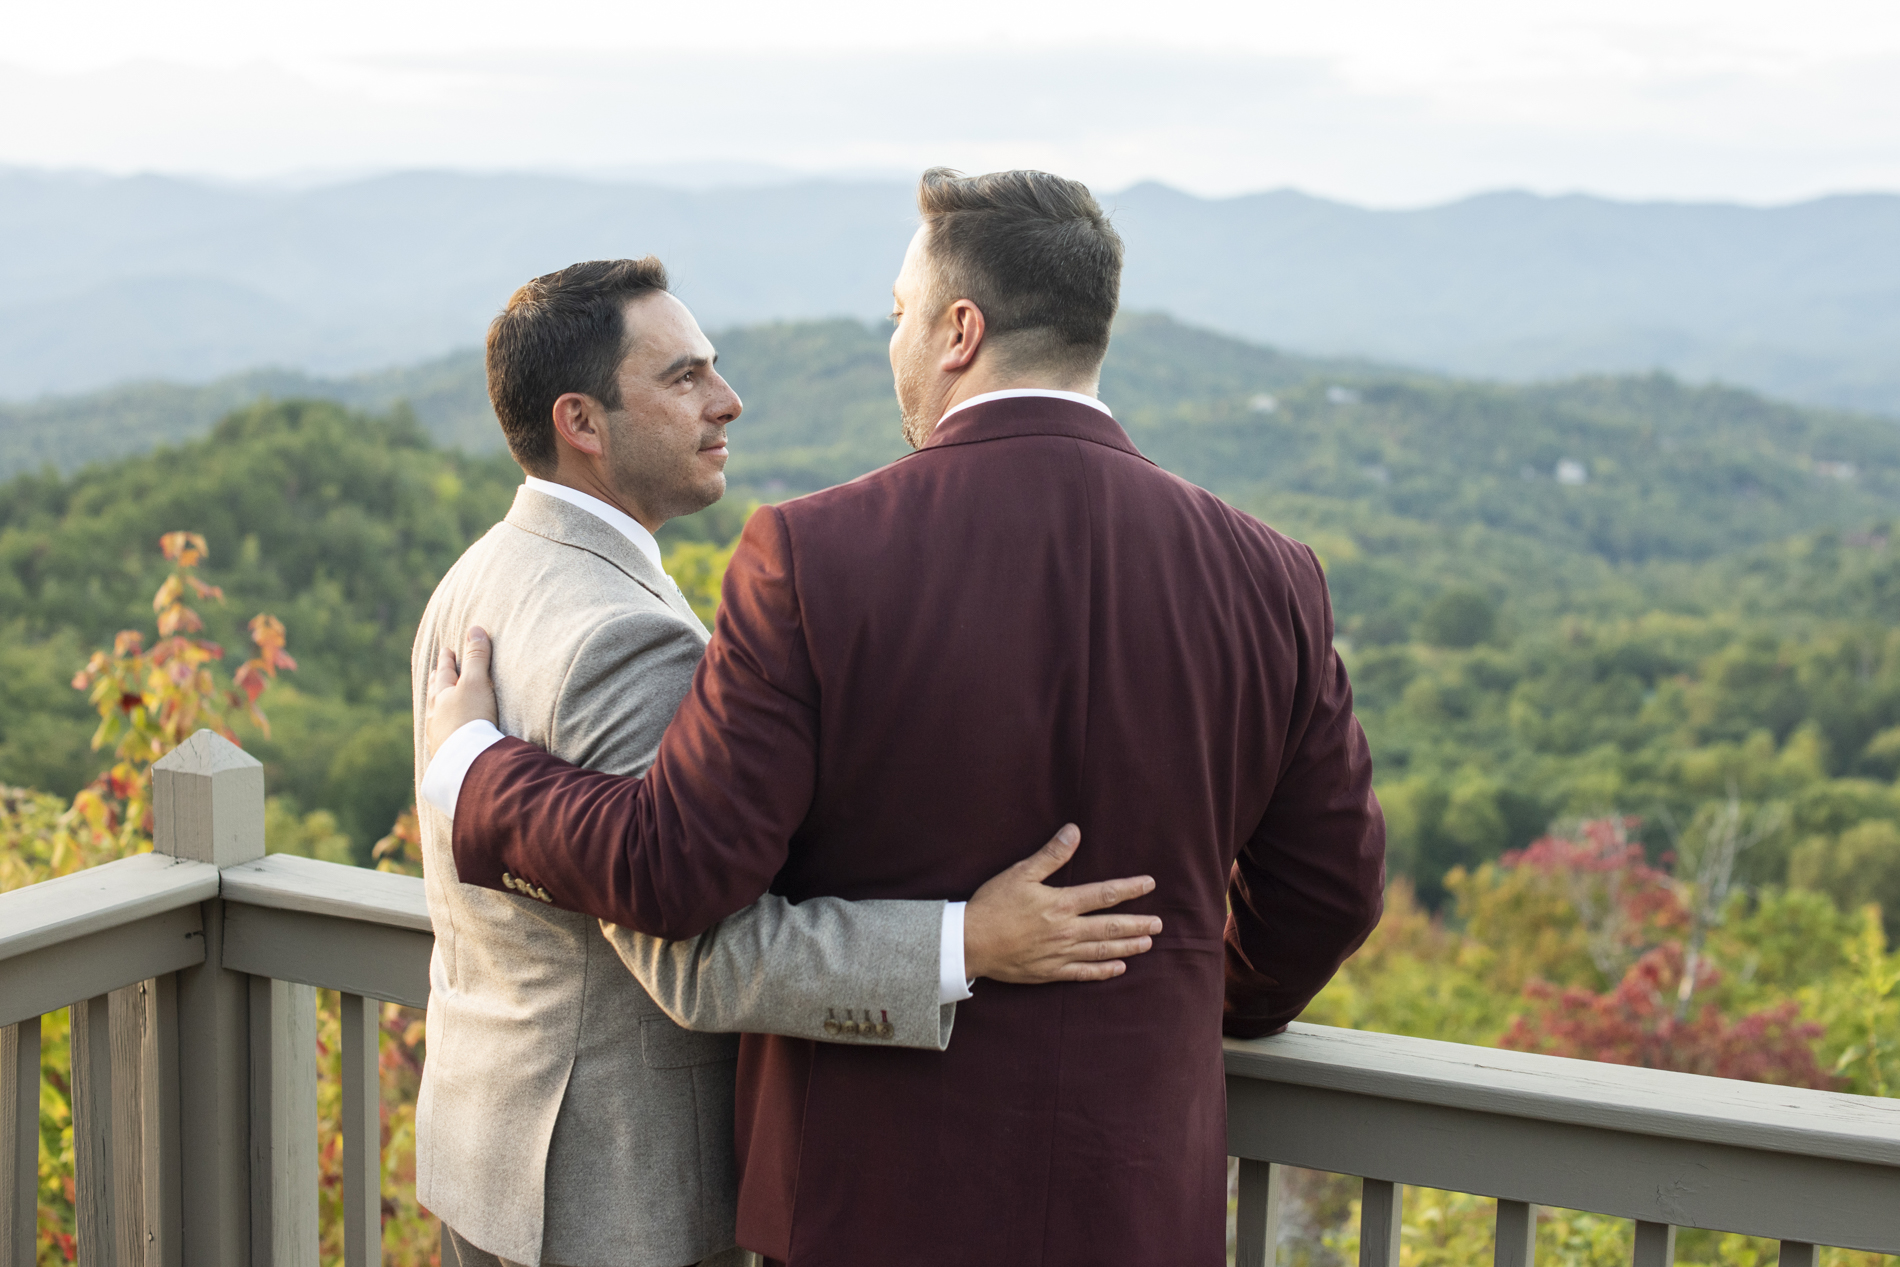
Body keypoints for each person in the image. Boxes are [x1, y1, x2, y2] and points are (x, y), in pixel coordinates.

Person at [424, 169, 1386, 1267]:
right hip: (1136, 1198)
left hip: (865, 1204)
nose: (894, 344)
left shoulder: (817, 558)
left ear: (959, 331)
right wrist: (1172, 1000)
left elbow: (680, 868)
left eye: (899, 316)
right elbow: (1328, 892)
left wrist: (477, 773)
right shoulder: (1272, 577)